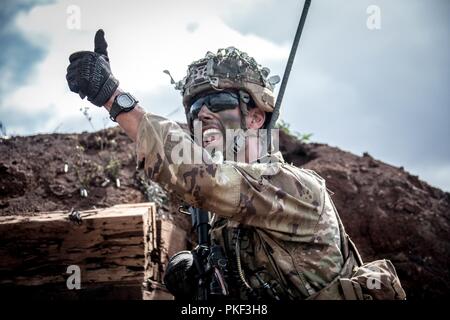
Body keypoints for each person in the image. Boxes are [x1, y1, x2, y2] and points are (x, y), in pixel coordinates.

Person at [66, 29, 406, 300]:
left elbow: (202, 178)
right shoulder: (218, 223)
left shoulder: (295, 187)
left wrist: (112, 97)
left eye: (217, 100)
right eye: (195, 106)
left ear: (256, 116)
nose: (202, 112)